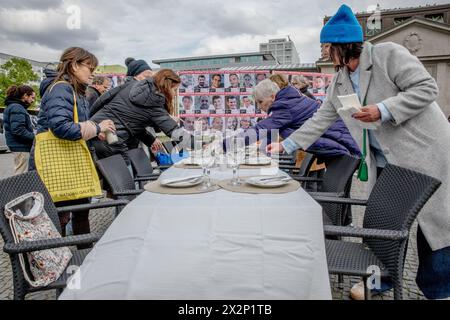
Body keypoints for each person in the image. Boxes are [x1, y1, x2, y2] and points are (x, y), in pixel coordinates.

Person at [267, 4, 450, 300]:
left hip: (424, 153)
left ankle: (439, 291)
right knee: (383, 221)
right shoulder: (339, 80)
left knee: (436, 228)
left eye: (327, 46)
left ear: (343, 44)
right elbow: (322, 118)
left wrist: (383, 109)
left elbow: (426, 88)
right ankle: (381, 280)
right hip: (387, 161)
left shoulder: (387, 54)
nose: (325, 52)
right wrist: (287, 144)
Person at [30, 47, 116, 239]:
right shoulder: (61, 88)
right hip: (57, 164)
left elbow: (75, 125)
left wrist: (95, 132)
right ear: (74, 65)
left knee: (79, 213)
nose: (93, 73)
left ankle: (82, 257)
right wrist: (97, 128)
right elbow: (61, 127)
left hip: (69, 164)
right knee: (62, 216)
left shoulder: (76, 91)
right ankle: (60, 261)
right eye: (89, 67)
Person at [233, 79, 360, 160]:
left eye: (260, 102)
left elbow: (260, 129)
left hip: (338, 142)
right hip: (339, 139)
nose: (260, 106)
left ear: (272, 96)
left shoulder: (284, 106)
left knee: (334, 186)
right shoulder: (290, 99)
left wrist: (226, 145)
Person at [91, 69, 192, 164]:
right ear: (167, 86)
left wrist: (92, 121)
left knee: (113, 175)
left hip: (99, 130)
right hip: (110, 137)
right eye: (174, 90)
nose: (174, 94)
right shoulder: (154, 100)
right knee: (124, 177)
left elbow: (104, 99)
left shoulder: (134, 85)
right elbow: (173, 131)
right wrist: (197, 143)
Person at [3, 85, 36, 174]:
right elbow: (18, 130)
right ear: (25, 96)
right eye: (32, 97)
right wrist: (35, 137)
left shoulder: (13, 106)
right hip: (21, 146)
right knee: (21, 175)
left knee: (20, 173)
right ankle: (16, 188)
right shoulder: (17, 108)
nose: (33, 101)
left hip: (18, 145)